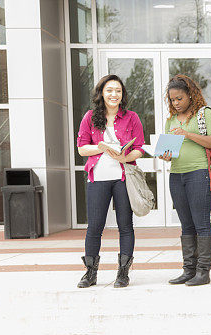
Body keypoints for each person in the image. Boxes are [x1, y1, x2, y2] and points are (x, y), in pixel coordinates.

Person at [76, 74, 145, 288]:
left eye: (118, 91)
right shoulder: (89, 117)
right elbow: (81, 148)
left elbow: (140, 148)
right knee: (94, 227)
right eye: (109, 90)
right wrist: (103, 147)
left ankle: (123, 272)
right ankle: (90, 273)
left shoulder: (131, 117)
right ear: (102, 93)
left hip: (123, 178)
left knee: (125, 225)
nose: (114, 94)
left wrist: (124, 157)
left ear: (122, 94)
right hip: (98, 178)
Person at [159, 74, 211, 286]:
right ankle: (189, 270)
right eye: (172, 100)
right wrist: (165, 154)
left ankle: (203, 272)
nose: (176, 103)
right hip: (177, 175)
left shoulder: (205, 115)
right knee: (186, 224)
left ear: (190, 95)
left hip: (199, 173)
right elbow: (172, 147)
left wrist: (187, 134)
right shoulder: (170, 120)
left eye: (179, 98)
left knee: (201, 223)